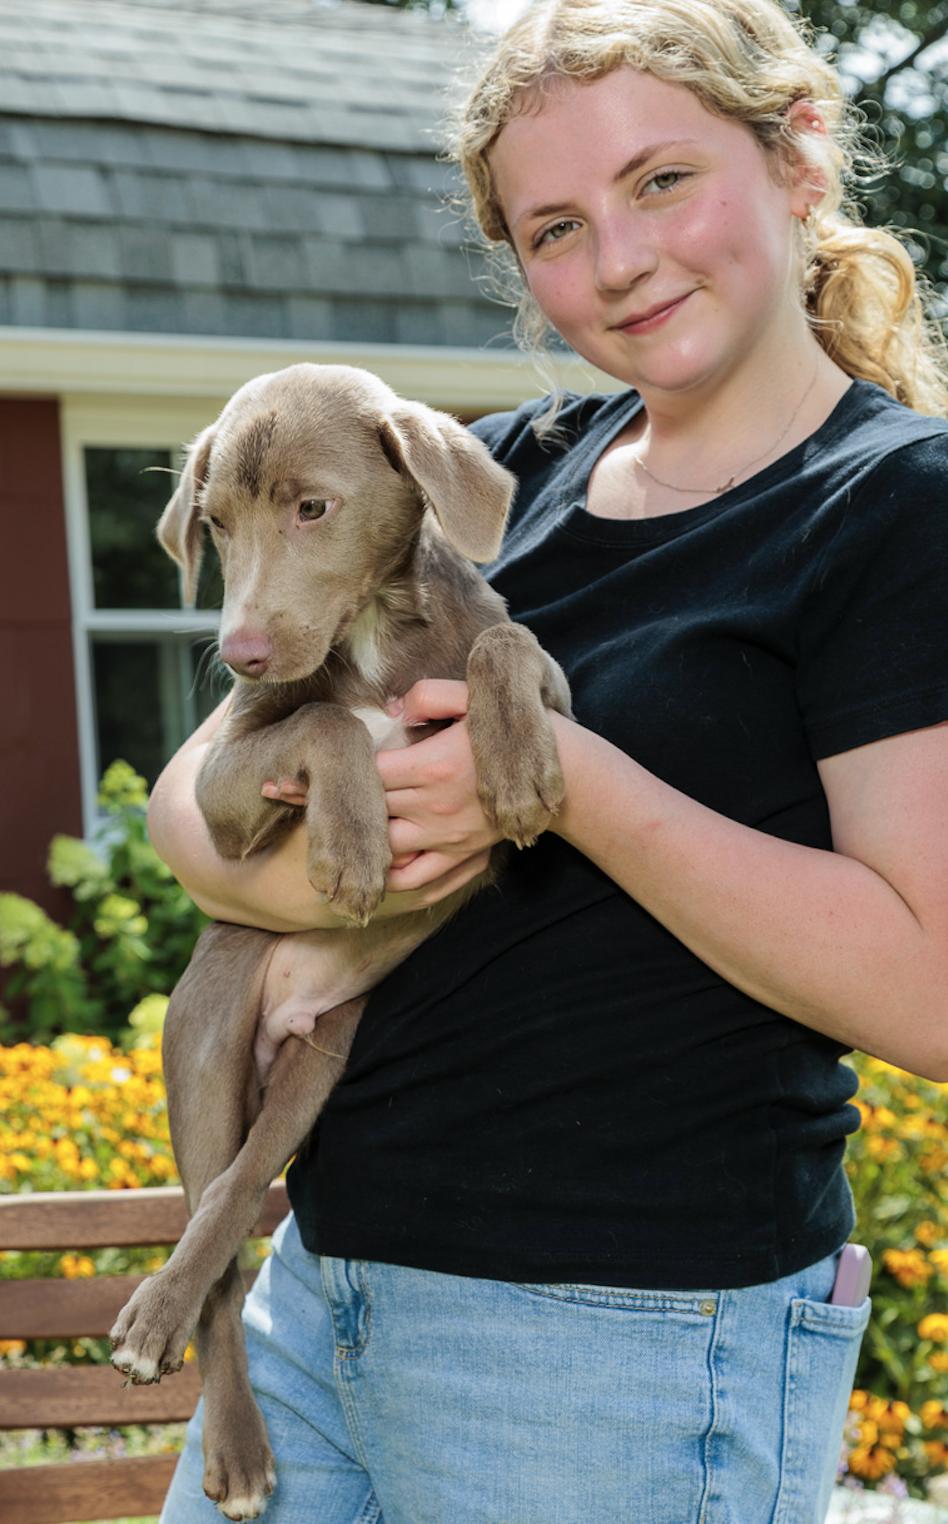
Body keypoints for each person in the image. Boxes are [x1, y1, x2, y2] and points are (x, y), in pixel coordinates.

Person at [154, 1, 948, 1519]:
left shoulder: (893, 510)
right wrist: (331, 810)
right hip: (326, 1296)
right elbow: (190, 813)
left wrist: (569, 787)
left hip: (619, 1340)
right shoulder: (498, 477)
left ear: (796, 159)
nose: (621, 260)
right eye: (556, 226)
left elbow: (932, 987)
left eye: (664, 183)